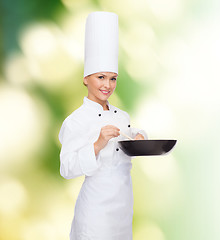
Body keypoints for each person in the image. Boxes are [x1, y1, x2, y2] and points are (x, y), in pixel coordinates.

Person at [58, 11, 147, 240]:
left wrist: (138, 138)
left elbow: (126, 140)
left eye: (113, 78)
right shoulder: (76, 120)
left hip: (123, 208)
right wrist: (97, 144)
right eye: (101, 77)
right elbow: (66, 168)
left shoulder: (122, 116)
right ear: (86, 78)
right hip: (95, 211)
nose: (107, 85)